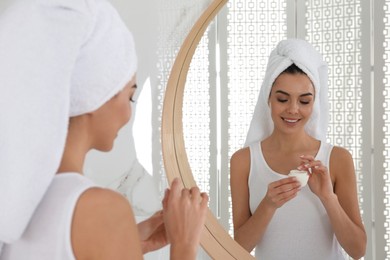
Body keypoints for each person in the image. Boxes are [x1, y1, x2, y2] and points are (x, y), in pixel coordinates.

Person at [0, 0, 208, 259]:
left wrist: (132, 243)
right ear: (95, 95)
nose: (128, 114)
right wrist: (185, 242)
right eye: (130, 96)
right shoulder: (100, 209)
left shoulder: (17, 202)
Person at [230, 39, 366, 260]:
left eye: (304, 101)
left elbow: (358, 250)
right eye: (283, 99)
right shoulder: (243, 161)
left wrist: (327, 197)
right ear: (269, 98)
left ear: (315, 103)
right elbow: (239, 247)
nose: (293, 110)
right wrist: (268, 205)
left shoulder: (337, 159)